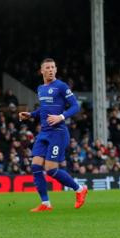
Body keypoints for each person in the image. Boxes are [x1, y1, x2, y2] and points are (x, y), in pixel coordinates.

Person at [17, 58, 88, 212]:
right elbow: (43, 110)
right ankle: (46, 203)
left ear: (56, 70)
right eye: (47, 68)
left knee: (50, 169)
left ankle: (79, 189)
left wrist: (61, 117)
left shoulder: (61, 86)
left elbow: (76, 106)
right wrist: (30, 114)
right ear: (41, 71)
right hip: (44, 132)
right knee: (35, 166)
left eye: (53, 67)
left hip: (58, 133)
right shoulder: (40, 88)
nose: (50, 70)